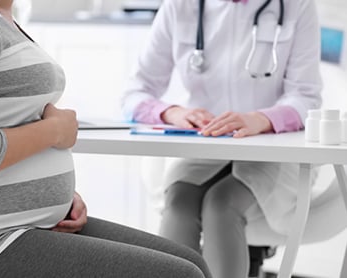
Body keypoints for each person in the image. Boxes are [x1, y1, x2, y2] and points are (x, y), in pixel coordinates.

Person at [0, 0, 213, 277]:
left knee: (193, 263)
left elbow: (9, 120)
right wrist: (55, 131)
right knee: (183, 274)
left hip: (18, 223)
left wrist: (58, 198)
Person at [121, 0, 323, 277]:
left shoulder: (296, 5)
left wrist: (260, 119)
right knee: (179, 203)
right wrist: (171, 112)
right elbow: (134, 93)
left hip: (275, 147)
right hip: (205, 145)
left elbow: (306, 97)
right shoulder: (180, 6)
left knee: (221, 204)